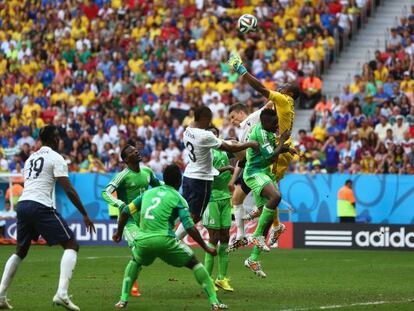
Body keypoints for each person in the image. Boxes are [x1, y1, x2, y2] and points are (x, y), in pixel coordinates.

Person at [0, 125, 95, 310]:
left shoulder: (30, 159)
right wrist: (84, 213)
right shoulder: (56, 157)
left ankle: (1, 295)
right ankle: (62, 293)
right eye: (58, 136)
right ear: (52, 139)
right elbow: (68, 189)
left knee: (21, 250)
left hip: (23, 205)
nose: (60, 140)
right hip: (40, 206)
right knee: (71, 244)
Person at [113, 164, 228, 310]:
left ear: (164, 179)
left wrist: (118, 232)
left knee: (135, 261)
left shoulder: (147, 194)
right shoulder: (178, 198)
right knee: (194, 264)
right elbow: (189, 226)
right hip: (165, 240)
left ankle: (123, 300)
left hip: (144, 241)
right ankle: (214, 302)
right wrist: (205, 247)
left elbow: (124, 212)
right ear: (179, 181)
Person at [228, 52, 299, 249]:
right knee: (268, 186)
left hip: (280, 148)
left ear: (289, 94)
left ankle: (265, 230)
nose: (279, 88)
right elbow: (268, 105)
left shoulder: (284, 100)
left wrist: (240, 69)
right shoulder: (283, 105)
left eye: (283, 87)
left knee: (271, 191)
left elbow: (260, 88)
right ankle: (270, 224)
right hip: (280, 146)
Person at [175, 105, 259, 240]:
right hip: (201, 179)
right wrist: (250, 144)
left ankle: (174, 237)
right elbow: (226, 147)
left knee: (189, 212)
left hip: (188, 176)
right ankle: (174, 240)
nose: (209, 123)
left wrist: (229, 141)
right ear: (203, 118)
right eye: (208, 120)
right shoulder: (205, 135)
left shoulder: (188, 130)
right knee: (195, 216)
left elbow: (223, 143)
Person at [102, 144, 161, 308]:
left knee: (144, 252)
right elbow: (105, 192)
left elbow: (159, 187)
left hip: (146, 220)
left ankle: (132, 280)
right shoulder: (123, 175)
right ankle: (129, 289)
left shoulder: (148, 172)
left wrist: (170, 188)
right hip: (128, 221)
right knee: (138, 248)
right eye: (131, 151)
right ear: (126, 159)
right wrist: (120, 204)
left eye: (136, 149)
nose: (136, 151)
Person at [243, 109, 295, 277]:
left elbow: (276, 148)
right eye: (274, 124)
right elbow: (272, 156)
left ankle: (253, 259)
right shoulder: (261, 133)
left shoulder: (268, 131)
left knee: (266, 219)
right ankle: (256, 235)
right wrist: (283, 140)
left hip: (265, 173)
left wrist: (286, 148)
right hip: (254, 173)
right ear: (265, 122)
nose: (277, 126)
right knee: (276, 197)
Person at [202, 127, 234, 292]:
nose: (214, 136)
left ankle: (221, 278)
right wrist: (228, 169)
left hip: (225, 198)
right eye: (211, 134)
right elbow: (208, 174)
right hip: (212, 198)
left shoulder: (223, 152)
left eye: (216, 134)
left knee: (225, 237)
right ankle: (207, 280)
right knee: (213, 238)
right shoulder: (206, 154)